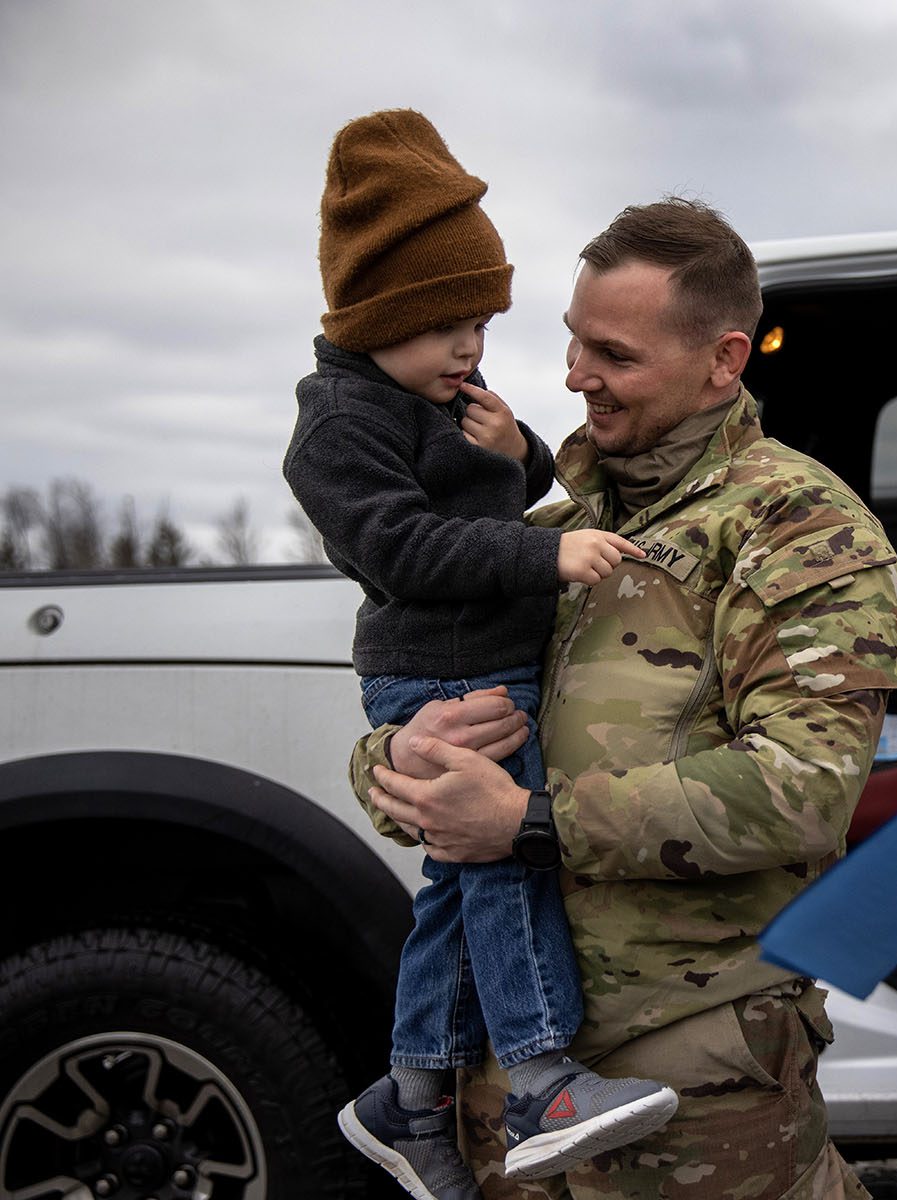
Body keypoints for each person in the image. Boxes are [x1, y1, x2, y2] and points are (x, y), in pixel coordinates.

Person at [343, 197, 897, 1199]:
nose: (572, 376)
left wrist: (524, 822)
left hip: (689, 1086)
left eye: (613, 353)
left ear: (723, 360)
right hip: (502, 1095)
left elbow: (803, 787)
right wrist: (394, 759)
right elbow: (411, 718)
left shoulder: (799, 528)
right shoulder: (543, 532)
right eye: (570, 340)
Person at [284, 111, 679, 1199]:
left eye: (481, 325)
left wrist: (517, 458)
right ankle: (544, 1074)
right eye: (446, 325)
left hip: (477, 657)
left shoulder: (440, 402)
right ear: (376, 316)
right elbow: (403, 545)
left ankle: (410, 1096)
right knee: (501, 859)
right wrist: (541, 556)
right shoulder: (337, 426)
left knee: (459, 885)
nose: (470, 349)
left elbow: (493, 503)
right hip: (439, 668)